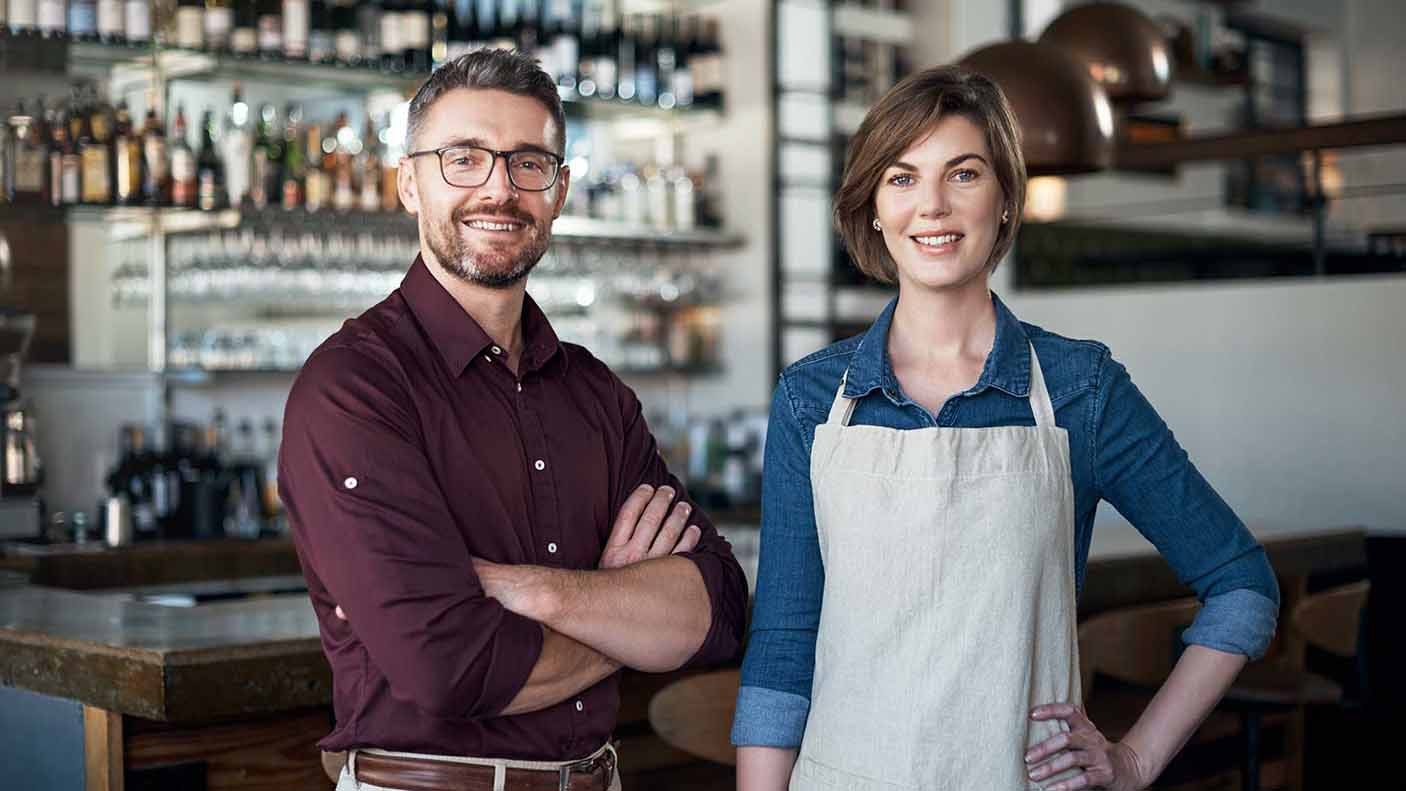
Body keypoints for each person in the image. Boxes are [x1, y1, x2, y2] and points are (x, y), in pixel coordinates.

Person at [731, 65, 1280, 791]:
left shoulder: (1083, 390)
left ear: (1004, 200)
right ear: (871, 209)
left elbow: (1242, 585)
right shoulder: (810, 398)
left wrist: (1135, 758)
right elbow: (782, 646)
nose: (931, 205)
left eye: (963, 174)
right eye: (901, 178)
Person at [279, 49, 748, 791]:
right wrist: (622, 610)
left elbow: (719, 606)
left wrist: (540, 590)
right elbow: (450, 666)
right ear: (409, 182)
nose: (499, 188)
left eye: (528, 162)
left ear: (559, 190)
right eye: (463, 158)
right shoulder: (354, 387)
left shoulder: (595, 394)